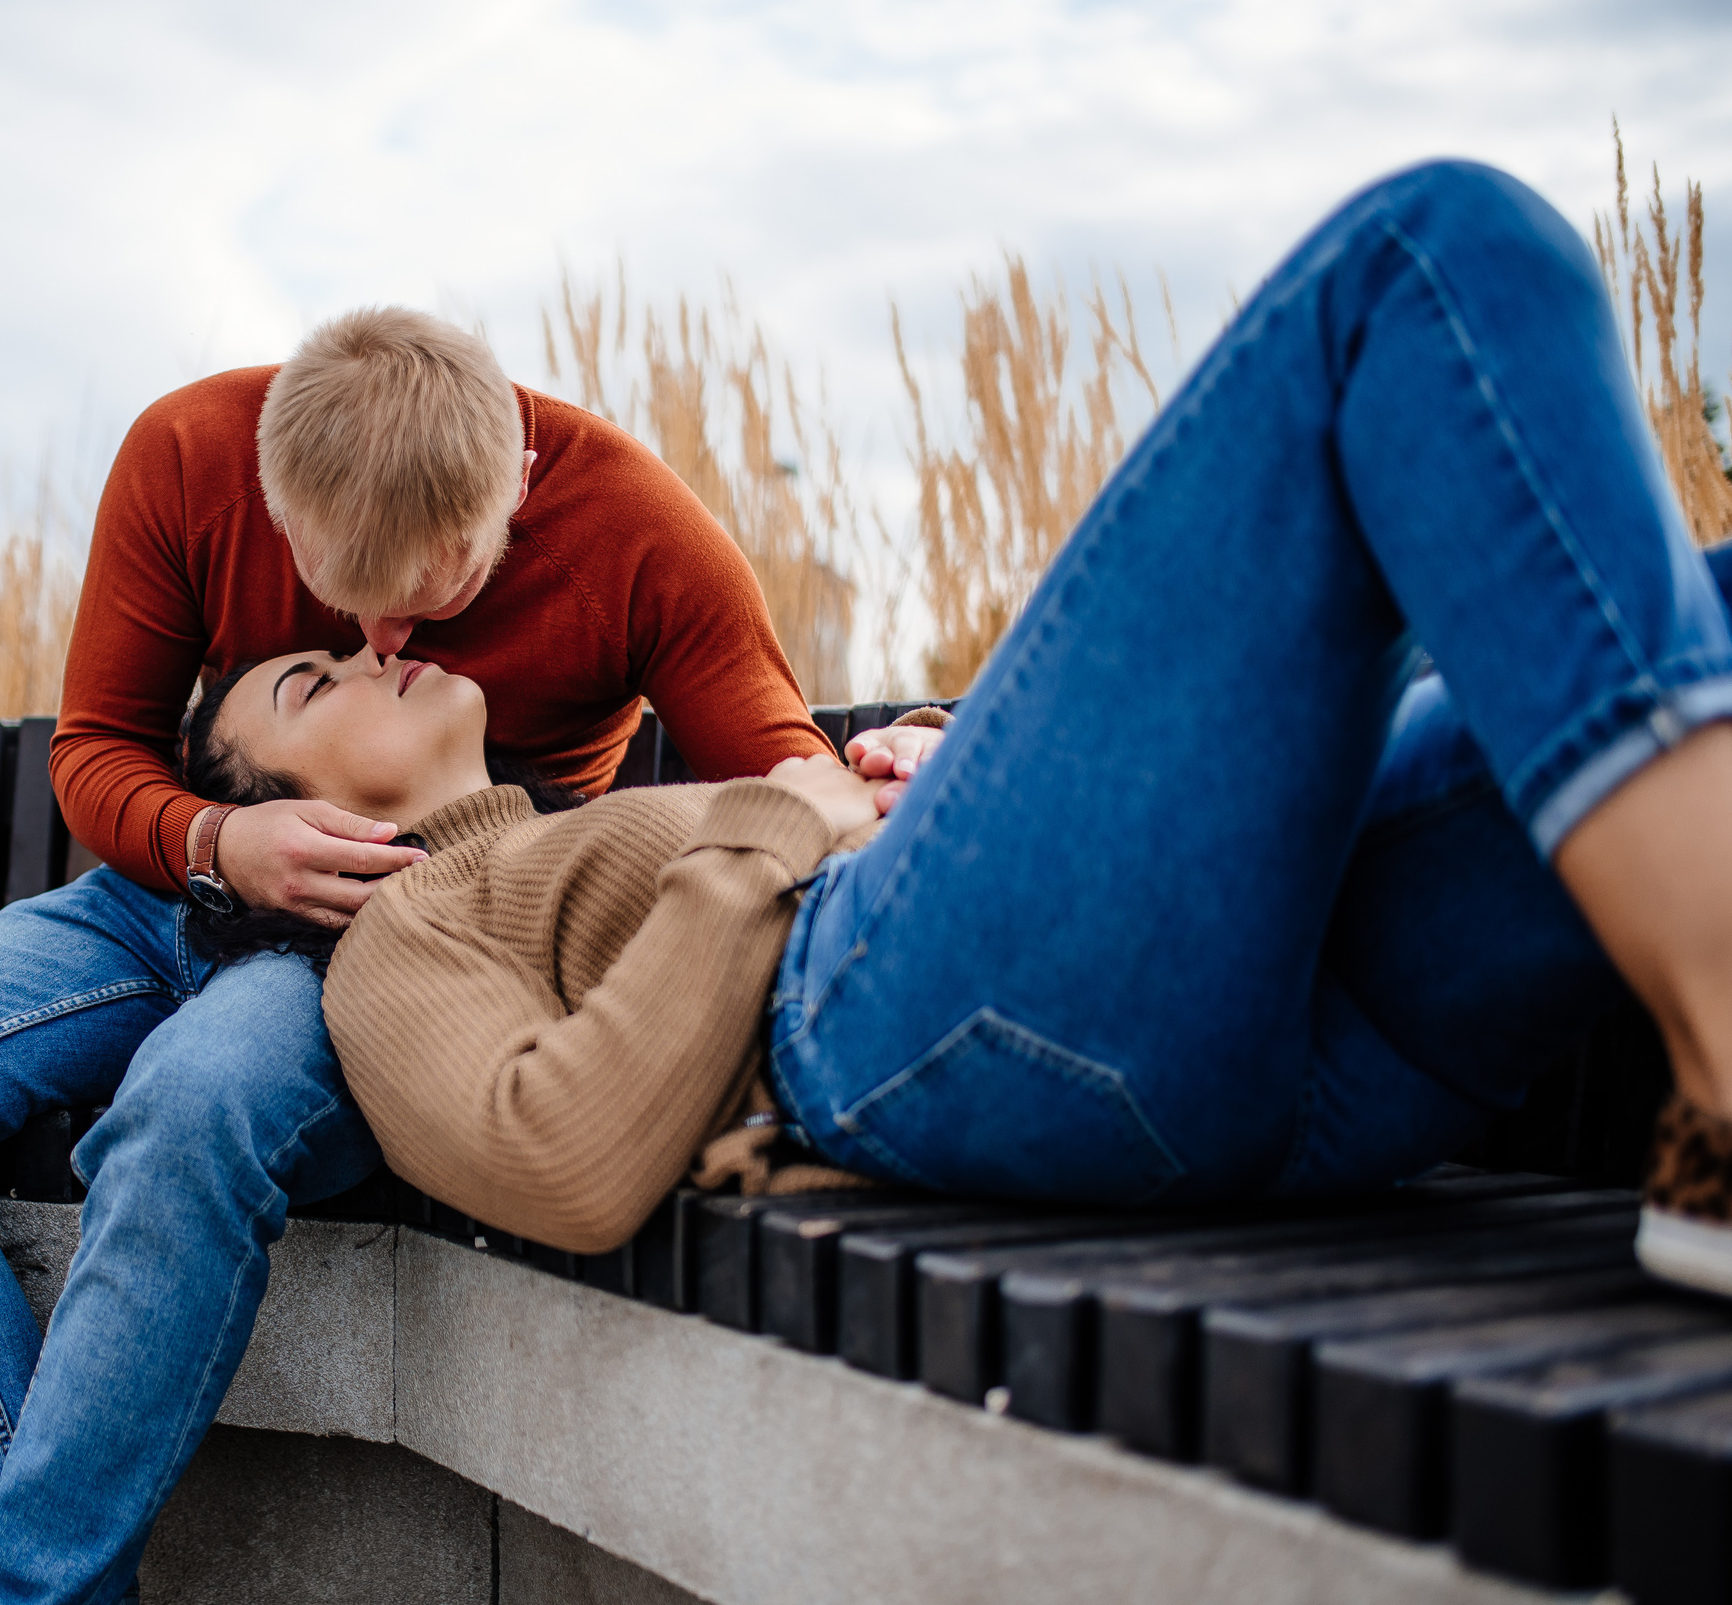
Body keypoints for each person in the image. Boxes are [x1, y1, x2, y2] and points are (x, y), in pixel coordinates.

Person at [177, 161, 1732, 1297]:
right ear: (307, 818)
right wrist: (785, 824)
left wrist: (912, 766)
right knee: (1429, 255)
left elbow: (813, 778)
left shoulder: (592, 714)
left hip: (1204, 1024)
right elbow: (563, 1158)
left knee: (1705, 601)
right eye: (307, 682)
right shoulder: (397, 951)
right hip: (907, 1031)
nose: (369, 645)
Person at [0, 307, 839, 1605]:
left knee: (196, 1103)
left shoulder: (640, 531)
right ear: (275, 499)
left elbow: (785, 772)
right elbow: (95, 750)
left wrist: (884, 766)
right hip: (166, 894)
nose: (381, 633)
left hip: (390, 945)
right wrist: (216, 842)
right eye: (337, 598)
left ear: (511, 482)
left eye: (423, 594)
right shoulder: (189, 453)